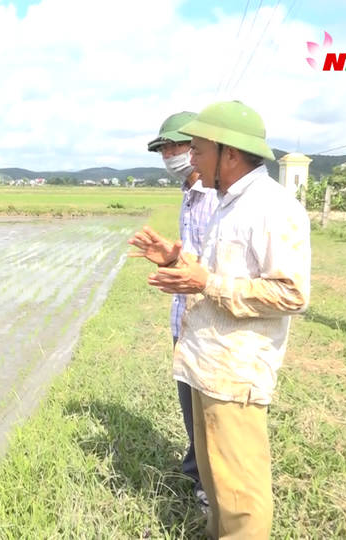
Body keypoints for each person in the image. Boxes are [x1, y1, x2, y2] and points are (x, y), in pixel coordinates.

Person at [131, 101, 310, 539]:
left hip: (235, 370)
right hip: (206, 362)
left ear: (228, 153)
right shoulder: (230, 204)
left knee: (240, 495)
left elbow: (291, 294)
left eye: (198, 148)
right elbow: (220, 271)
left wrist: (206, 281)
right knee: (215, 483)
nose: (190, 158)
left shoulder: (271, 207)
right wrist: (179, 259)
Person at [137, 111, 218, 508]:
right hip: (184, 321)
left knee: (210, 413)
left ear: (199, 147)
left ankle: (211, 489)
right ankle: (196, 471)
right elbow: (190, 263)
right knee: (191, 409)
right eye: (163, 148)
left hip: (211, 324)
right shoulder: (188, 195)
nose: (169, 154)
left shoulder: (217, 198)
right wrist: (170, 262)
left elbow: (216, 269)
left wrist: (184, 270)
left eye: (176, 146)